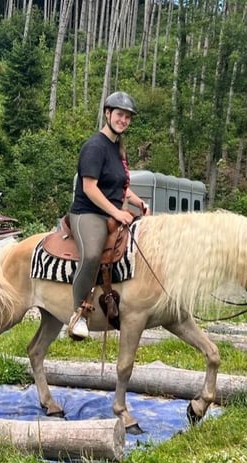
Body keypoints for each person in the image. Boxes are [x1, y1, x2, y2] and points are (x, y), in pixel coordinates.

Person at [67, 91, 151, 340]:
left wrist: (137, 202)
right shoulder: (95, 147)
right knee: (92, 254)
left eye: (127, 117)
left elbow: (120, 185)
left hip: (111, 213)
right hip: (89, 213)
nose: (123, 120)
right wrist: (117, 212)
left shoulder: (117, 149)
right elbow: (90, 187)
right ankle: (78, 314)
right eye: (119, 115)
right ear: (107, 113)